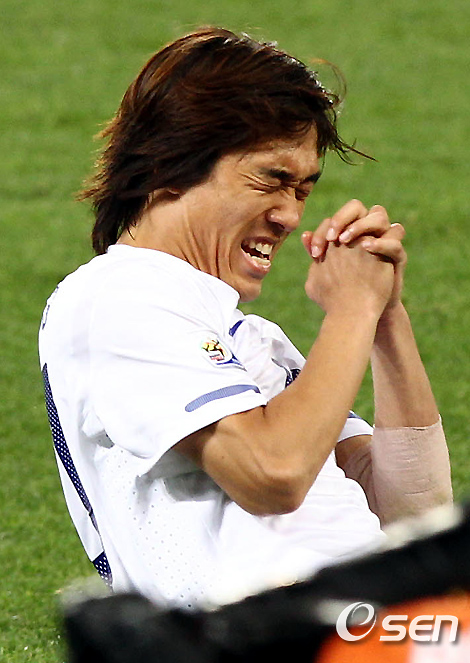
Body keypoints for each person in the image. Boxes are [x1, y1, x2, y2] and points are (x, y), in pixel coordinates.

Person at [39, 27, 452, 609]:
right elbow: (272, 473)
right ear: (171, 164)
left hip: (374, 623)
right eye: (272, 179)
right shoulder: (117, 297)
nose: (291, 215)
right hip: (274, 634)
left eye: (303, 190)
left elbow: (414, 516)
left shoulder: (250, 338)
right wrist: (352, 308)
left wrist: (386, 318)